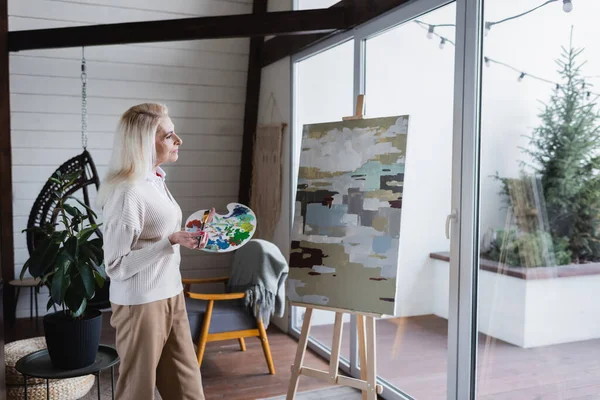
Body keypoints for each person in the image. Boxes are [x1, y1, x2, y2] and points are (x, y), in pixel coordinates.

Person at [96, 103, 212, 399]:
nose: (179, 141)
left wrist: (187, 236)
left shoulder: (156, 180)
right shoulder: (127, 192)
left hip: (171, 294)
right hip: (141, 303)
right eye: (169, 135)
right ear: (145, 143)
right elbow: (116, 266)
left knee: (187, 387)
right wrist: (169, 241)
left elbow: (163, 235)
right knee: (138, 389)